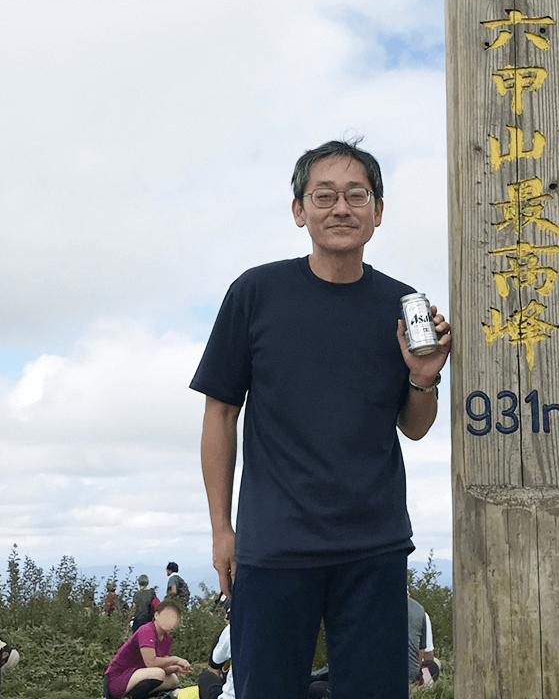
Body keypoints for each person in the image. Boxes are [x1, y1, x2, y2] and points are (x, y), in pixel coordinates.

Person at [191, 139, 451, 699]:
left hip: (374, 544)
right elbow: (220, 412)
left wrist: (423, 376)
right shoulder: (256, 293)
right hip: (274, 544)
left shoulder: (401, 303)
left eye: (357, 195)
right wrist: (221, 529)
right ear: (299, 209)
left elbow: (416, 425)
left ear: (378, 211)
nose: (341, 208)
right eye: (324, 195)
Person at [104, 599, 192, 699]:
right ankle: (129, 697)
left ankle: (145, 696)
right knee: (159, 674)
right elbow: (151, 663)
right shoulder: (147, 630)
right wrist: (176, 659)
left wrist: (177, 668)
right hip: (118, 679)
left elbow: (163, 665)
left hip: (139, 674)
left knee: (173, 679)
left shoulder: (167, 638)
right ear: (156, 615)